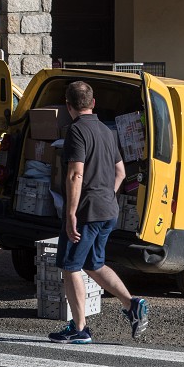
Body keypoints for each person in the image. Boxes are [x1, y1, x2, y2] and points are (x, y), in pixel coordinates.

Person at [49, 80, 150, 344]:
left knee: (70, 266)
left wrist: (71, 212)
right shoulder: (107, 131)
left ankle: (79, 328)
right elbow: (121, 172)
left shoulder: (76, 131)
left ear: (68, 105)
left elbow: (75, 173)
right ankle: (132, 304)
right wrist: (108, 194)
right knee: (94, 264)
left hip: (87, 211)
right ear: (93, 103)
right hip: (108, 210)